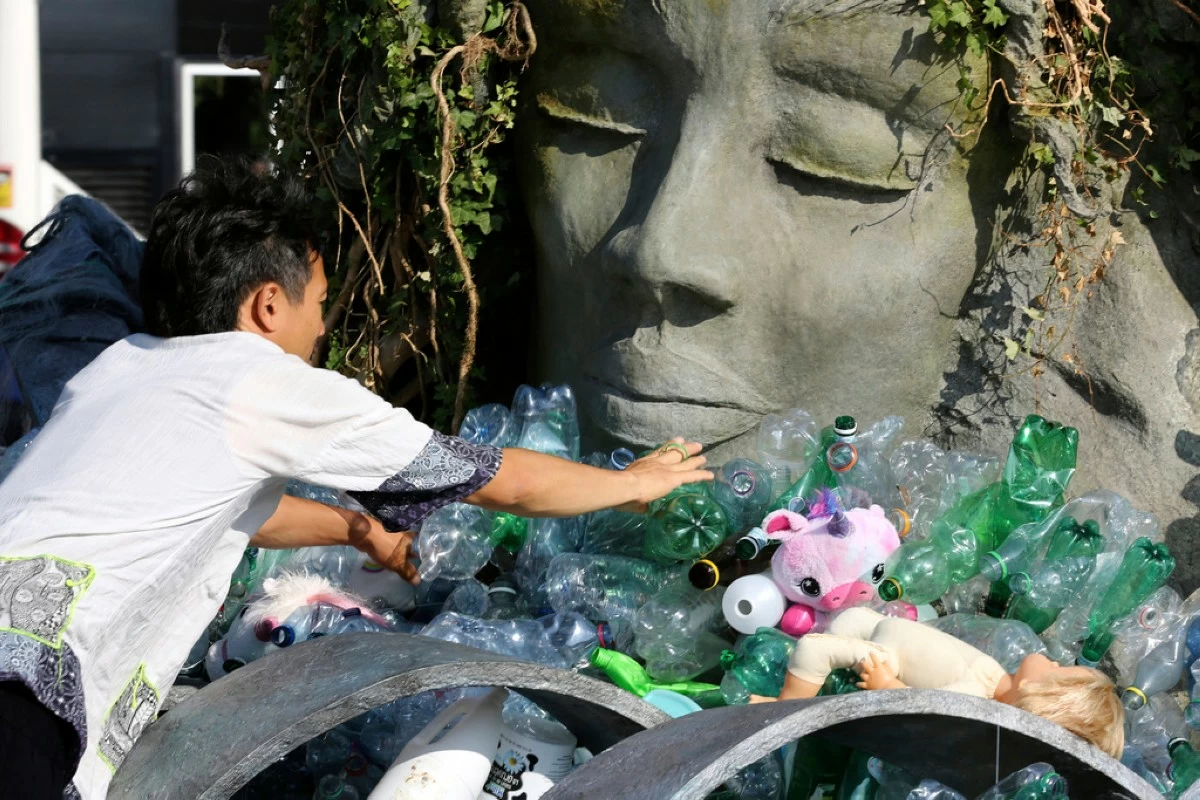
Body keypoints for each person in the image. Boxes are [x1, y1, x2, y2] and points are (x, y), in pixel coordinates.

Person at [0, 158, 712, 800]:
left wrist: (356, 528)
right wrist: (631, 484)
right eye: (318, 301)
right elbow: (498, 481)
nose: (320, 329)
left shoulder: (122, 366)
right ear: (268, 305)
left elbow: (223, 511)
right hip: (21, 686)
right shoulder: (261, 380)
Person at [752, 607, 1124, 759]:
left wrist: (887, 686)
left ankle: (785, 712)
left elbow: (922, 708)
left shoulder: (976, 701)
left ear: (1040, 698)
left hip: (885, 658)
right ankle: (814, 684)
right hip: (881, 629)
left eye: (1061, 670)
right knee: (847, 618)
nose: (1057, 661)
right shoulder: (996, 679)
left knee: (813, 650)